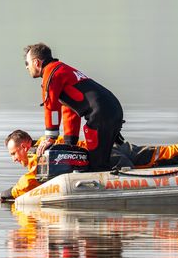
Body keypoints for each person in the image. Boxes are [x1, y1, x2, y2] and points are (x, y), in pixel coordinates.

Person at [0, 129, 178, 203]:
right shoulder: (47, 142)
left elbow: (27, 183)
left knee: (152, 161)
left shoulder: (39, 155)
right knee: (159, 153)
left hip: (108, 159)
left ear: (25, 146)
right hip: (107, 146)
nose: (14, 159)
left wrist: (4, 195)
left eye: (14, 153)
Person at [24, 43, 124, 172]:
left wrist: (50, 138)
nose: (27, 67)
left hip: (101, 114)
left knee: (97, 165)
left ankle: (105, 184)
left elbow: (51, 108)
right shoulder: (61, 69)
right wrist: (70, 142)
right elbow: (70, 110)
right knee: (101, 158)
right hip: (111, 109)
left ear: (36, 62)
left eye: (27, 63)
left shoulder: (51, 74)